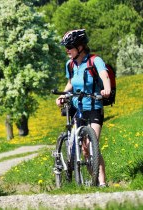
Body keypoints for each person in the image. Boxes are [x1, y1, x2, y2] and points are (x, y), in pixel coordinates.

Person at [56, 29, 110, 187]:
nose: (67, 50)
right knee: (84, 149)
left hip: (94, 107)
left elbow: (104, 75)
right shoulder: (70, 64)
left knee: (93, 145)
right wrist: (63, 95)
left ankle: (102, 183)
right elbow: (71, 83)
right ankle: (91, 181)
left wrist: (106, 89)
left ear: (80, 47)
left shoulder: (95, 60)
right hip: (78, 108)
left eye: (70, 47)